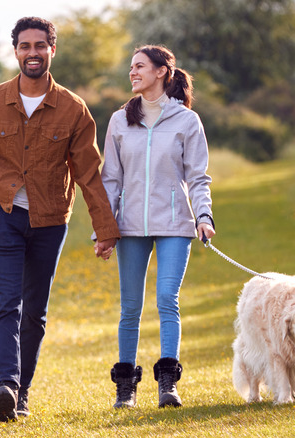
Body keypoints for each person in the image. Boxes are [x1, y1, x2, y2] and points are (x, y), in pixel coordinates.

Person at [0, 16, 120, 422]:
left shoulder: (74, 109)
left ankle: (21, 392)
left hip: (50, 222)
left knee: (35, 312)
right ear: (15, 51)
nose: (32, 53)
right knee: (6, 304)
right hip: (3, 217)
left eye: (39, 46)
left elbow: (88, 174)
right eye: (25, 46)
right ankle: (5, 386)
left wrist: (105, 229)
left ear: (52, 50)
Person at [95, 45, 216, 409]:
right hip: (130, 225)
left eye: (140, 66)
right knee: (130, 307)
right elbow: (110, 180)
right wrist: (104, 230)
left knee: (167, 299)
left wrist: (204, 216)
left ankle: (167, 385)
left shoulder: (186, 121)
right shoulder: (119, 121)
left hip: (176, 224)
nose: (132, 72)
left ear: (163, 71)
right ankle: (126, 389)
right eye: (131, 67)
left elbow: (198, 177)